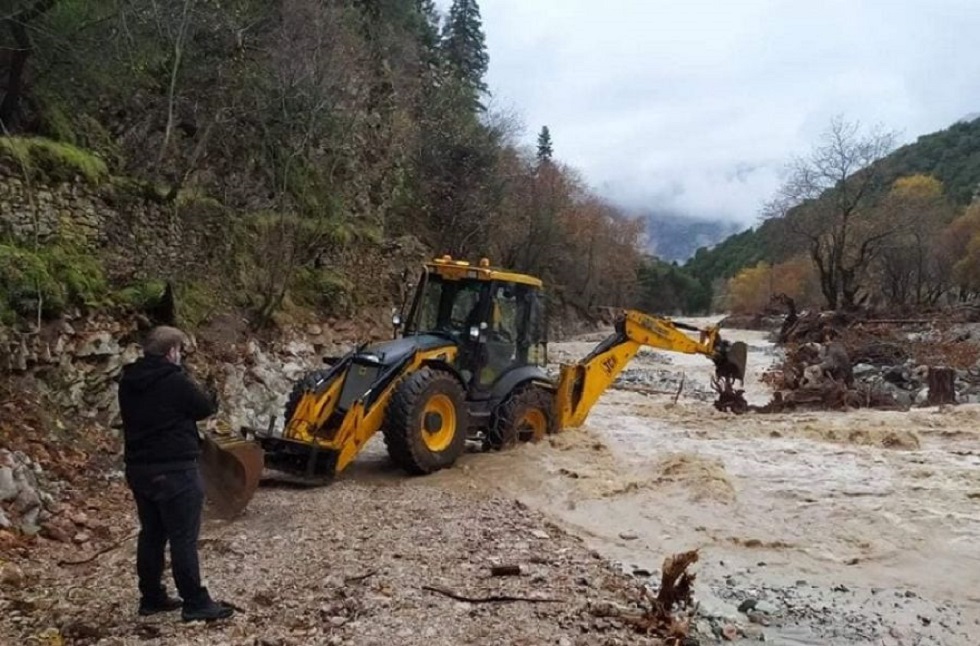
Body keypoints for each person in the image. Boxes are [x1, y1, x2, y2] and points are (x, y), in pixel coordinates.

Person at [117, 325, 234, 622]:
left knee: (152, 534)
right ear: (172, 352)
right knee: (183, 537)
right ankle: (195, 601)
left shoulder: (128, 380)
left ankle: (151, 597)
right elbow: (203, 408)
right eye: (179, 350)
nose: (181, 355)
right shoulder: (175, 381)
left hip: (140, 468)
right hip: (175, 469)